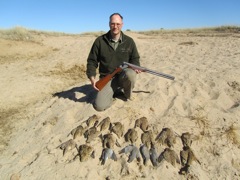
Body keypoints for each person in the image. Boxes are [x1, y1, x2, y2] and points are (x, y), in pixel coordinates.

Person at [86, 13, 141, 111]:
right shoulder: (100, 41)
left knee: (130, 73)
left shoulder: (129, 41)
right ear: (109, 24)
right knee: (99, 106)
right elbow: (92, 61)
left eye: (118, 24)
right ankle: (114, 93)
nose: (115, 26)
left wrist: (136, 67)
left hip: (123, 75)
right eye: (113, 24)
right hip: (107, 78)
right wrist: (92, 77)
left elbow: (135, 59)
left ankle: (127, 94)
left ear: (122, 25)